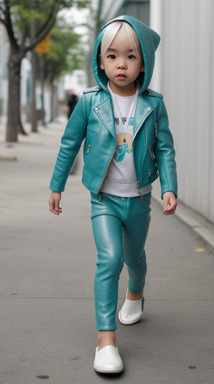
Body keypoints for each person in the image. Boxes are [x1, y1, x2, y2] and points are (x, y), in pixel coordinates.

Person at [48, 15, 178, 374]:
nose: (121, 64)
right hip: (103, 198)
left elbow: (165, 149)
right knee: (110, 259)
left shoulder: (154, 104)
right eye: (112, 56)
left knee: (134, 257)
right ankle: (106, 340)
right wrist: (56, 184)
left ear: (144, 62)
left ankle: (135, 293)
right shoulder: (91, 102)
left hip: (138, 199)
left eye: (131, 56)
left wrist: (169, 187)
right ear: (100, 60)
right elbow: (70, 143)